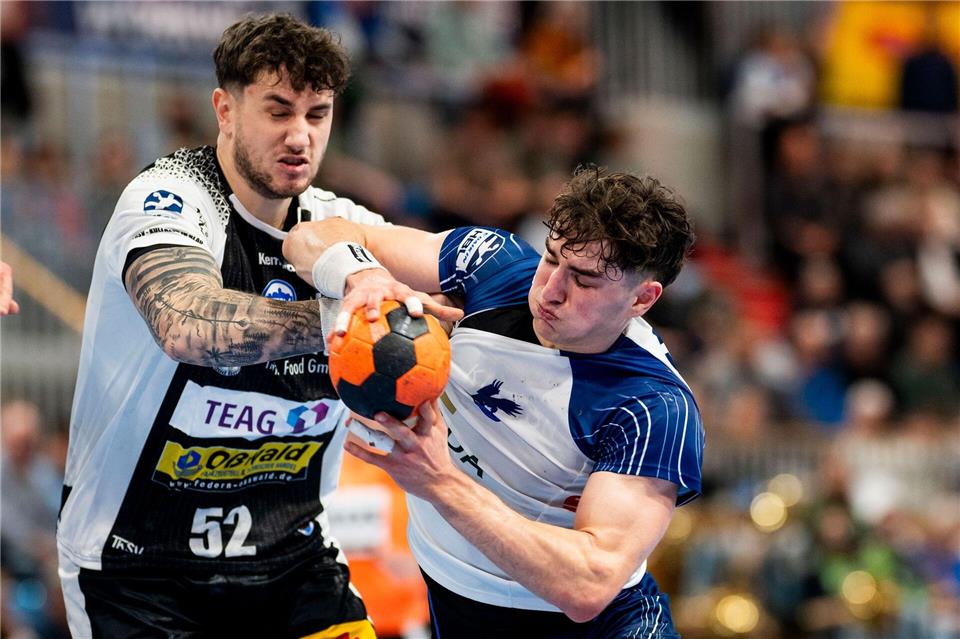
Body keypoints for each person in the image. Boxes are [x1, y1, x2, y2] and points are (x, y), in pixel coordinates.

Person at [56, 14, 457, 639]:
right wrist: (343, 322)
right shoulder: (169, 196)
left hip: (291, 564)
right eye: (278, 110)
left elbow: (452, 283)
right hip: (137, 573)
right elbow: (184, 322)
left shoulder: (343, 223)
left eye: (317, 115)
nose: (299, 136)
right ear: (225, 109)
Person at [283, 167, 704, 638]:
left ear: (642, 299)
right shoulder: (493, 265)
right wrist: (361, 277)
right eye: (551, 259)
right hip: (455, 604)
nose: (550, 290)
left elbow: (589, 585)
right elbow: (308, 237)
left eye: (584, 281)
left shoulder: (653, 406)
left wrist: (438, 482)